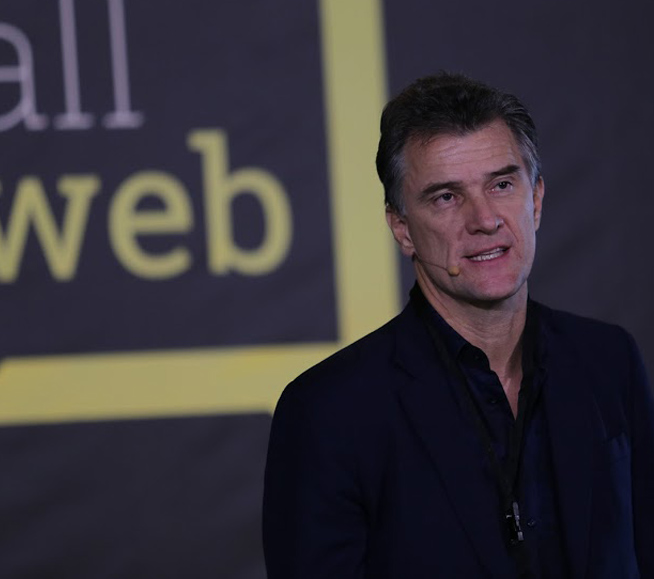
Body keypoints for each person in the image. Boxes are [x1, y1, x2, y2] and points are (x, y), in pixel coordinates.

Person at [262, 72, 654, 579]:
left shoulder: (608, 361)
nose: (484, 219)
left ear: (535, 199)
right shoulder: (328, 411)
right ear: (402, 227)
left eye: (502, 184)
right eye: (446, 197)